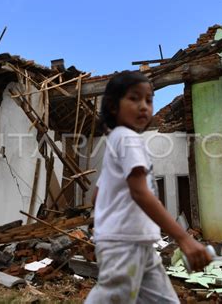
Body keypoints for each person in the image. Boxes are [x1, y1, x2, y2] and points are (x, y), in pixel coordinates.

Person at [85, 71, 212, 303]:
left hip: (136, 242)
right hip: (123, 243)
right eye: (134, 98)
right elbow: (140, 192)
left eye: (149, 100)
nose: (144, 106)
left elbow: (97, 196)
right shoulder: (128, 139)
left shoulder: (116, 140)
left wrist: (103, 220)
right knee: (112, 298)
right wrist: (184, 239)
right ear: (113, 107)